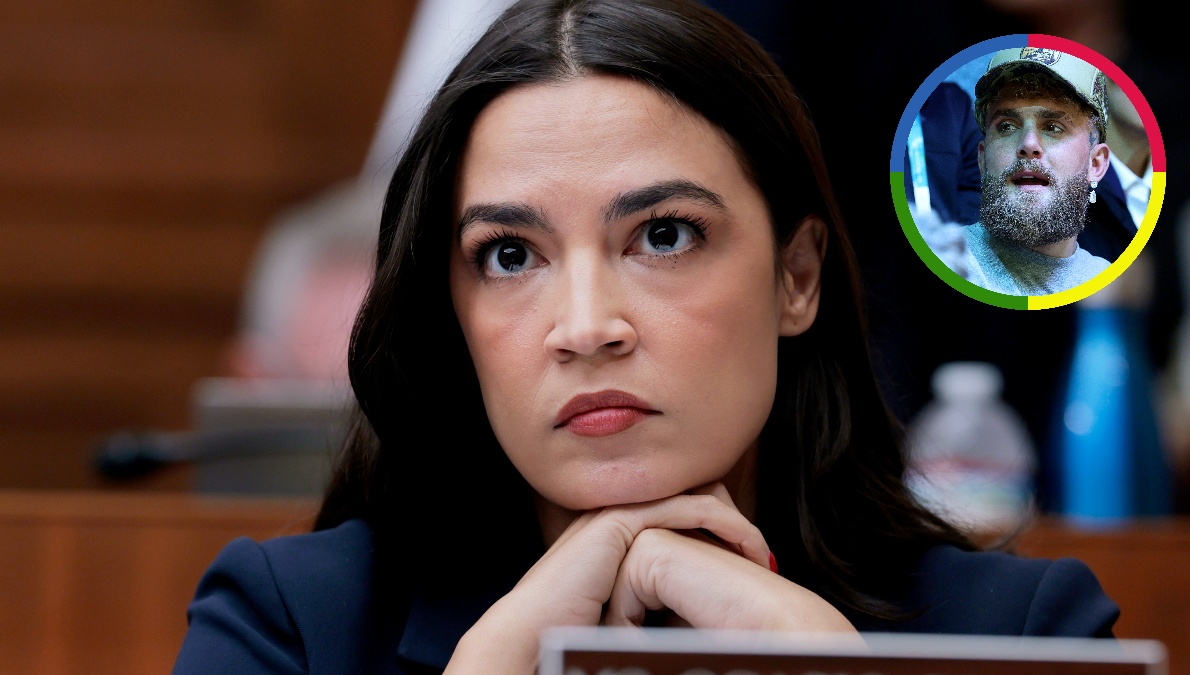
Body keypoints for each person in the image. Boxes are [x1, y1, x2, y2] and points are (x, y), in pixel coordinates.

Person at [173, 1, 1120, 672]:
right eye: (510, 255)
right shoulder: (292, 625)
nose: (587, 327)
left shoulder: (1024, 631)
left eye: (664, 235)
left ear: (797, 277)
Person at [948, 48, 1115, 296]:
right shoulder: (943, 261)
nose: (1028, 144)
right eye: (1007, 126)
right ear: (982, 160)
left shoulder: (1111, 286)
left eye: (1053, 127)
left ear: (1095, 164)